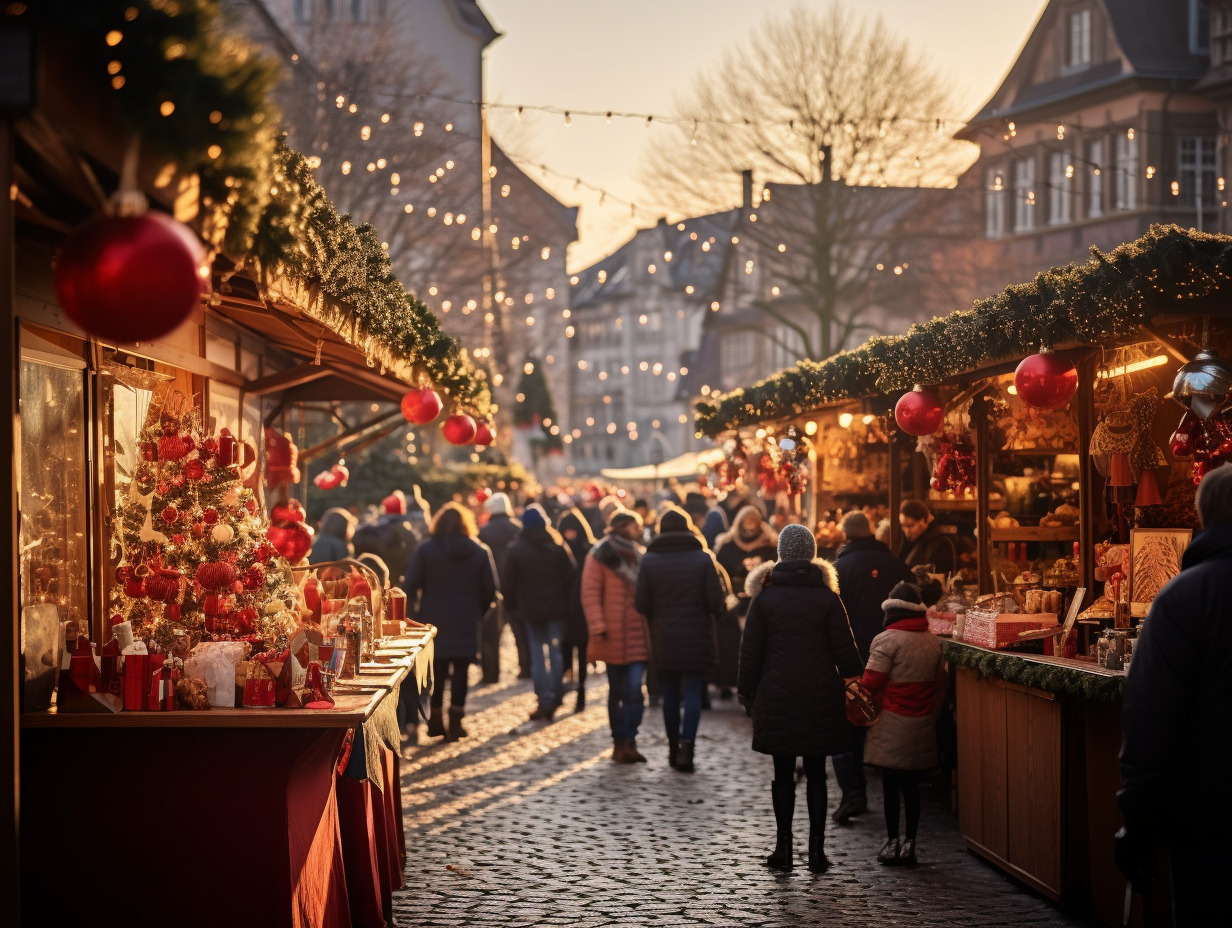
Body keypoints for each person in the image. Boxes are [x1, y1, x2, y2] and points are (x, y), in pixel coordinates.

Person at [1117, 465, 1232, 927]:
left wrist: (1136, 819)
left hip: (1210, 814)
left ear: (1204, 518)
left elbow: (1151, 717)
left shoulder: (1184, 597)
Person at [738, 524, 863, 873]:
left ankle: (783, 848)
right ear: (810, 556)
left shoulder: (765, 598)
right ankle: (817, 851)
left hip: (777, 694)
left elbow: (750, 653)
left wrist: (747, 694)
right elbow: (847, 654)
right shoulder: (827, 597)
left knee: (781, 775)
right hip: (820, 695)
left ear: (780, 555)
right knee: (818, 775)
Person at [831, 511, 915, 824]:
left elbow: (834, 618)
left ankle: (854, 792)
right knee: (891, 720)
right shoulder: (895, 563)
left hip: (853, 658)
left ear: (846, 536)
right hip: (895, 654)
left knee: (849, 725)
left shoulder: (840, 568)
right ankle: (896, 787)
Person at [859, 580, 945, 867]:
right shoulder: (933, 642)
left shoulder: (886, 640)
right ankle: (911, 842)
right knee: (912, 787)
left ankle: (892, 840)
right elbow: (940, 686)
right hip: (921, 722)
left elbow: (871, 682)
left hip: (891, 722)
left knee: (890, 786)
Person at [635, 506, 726, 773]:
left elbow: (641, 603)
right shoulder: (703, 558)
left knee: (671, 693)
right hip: (697, 634)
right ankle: (688, 746)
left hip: (664, 636)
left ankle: (673, 747)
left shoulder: (649, 560)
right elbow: (715, 601)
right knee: (693, 692)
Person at [404, 502, 499, 742]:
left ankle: (435, 721)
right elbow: (491, 590)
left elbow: (411, 584)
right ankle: (456, 722)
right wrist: (478, 611)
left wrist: (416, 613)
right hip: (466, 616)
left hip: (433, 618)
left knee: (436, 670)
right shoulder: (479, 551)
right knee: (461, 671)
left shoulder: (426, 550)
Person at [581, 508, 650, 764]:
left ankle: (631, 739)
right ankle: (618, 742)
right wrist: (598, 626)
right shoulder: (600, 554)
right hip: (611, 633)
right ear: (624, 526)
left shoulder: (639, 554)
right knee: (617, 691)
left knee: (634, 689)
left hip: (636, 634)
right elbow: (590, 592)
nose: (637, 530)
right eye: (634, 526)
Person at [504, 505, 576, 722]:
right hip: (557, 609)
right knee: (556, 653)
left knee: (537, 656)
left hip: (531, 611)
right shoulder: (557, 545)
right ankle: (555, 694)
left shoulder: (517, 550)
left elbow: (509, 584)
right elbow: (571, 576)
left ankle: (544, 698)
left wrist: (513, 608)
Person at [713, 506, 778, 699]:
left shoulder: (770, 543)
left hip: (761, 601)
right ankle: (728, 681)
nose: (750, 532)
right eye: (746, 528)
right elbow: (720, 573)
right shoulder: (727, 545)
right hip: (734, 602)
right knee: (731, 644)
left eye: (753, 528)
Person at [479, 492, 526, 682]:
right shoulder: (518, 528)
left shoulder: (485, 531)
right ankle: (526, 667)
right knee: (520, 631)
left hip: (494, 585)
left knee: (491, 634)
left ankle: (491, 674)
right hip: (517, 585)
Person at [557, 506, 597, 710]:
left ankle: (581, 691)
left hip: (582, 611)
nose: (569, 535)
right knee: (564, 654)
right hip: (563, 611)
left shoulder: (590, 550)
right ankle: (564, 690)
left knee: (582, 654)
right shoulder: (557, 550)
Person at [352, 490, 420, 589]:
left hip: (372, 580)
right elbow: (412, 558)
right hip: (396, 583)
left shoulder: (370, 529)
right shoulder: (405, 530)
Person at [896, 500, 956, 604]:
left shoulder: (940, 543)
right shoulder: (911, 541)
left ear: (924, 520)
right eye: (903, 526)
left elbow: (939, 584)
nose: (906, 531)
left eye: (910, 526)